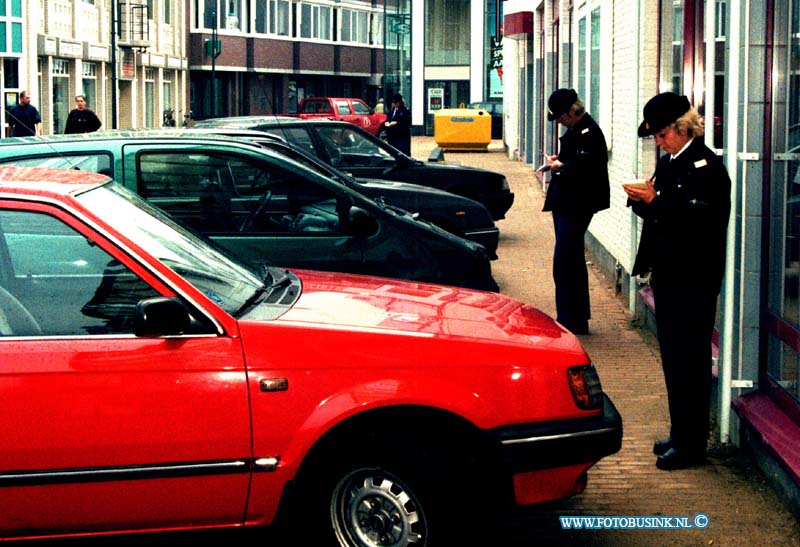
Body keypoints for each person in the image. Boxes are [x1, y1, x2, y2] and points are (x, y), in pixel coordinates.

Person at [623, 92, 731, 471]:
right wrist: (642, 198)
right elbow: (663, 212)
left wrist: (656, 201)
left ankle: (692, 444)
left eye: (662, 134)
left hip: (693, 279)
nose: (658, 141)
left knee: (691, 360)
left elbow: (699, 223)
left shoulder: (706, 168)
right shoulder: (672, 162)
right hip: (670, 275)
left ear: (683, 127)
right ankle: (681, 431)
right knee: (674, 359)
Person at [542, 88, 610, 335]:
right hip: (567, 202)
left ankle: (570, 318)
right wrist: (559, 163)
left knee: (565, 260)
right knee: (570, 259)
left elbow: (587, 170)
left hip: (577, 203)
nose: (560, 122)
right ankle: (574, 317)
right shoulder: (576, 131)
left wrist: (561, 166)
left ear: (574, 110)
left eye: (562, 117)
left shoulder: (590, 133)